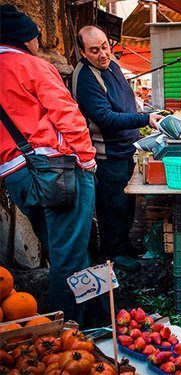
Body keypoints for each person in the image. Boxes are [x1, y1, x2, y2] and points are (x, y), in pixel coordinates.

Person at [0, 5, 97, 322]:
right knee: (69, 259)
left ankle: (95, 319)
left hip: (16, 178)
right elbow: (68, 116)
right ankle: (64, 333)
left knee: (69, 251)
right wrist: (87, 159)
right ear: (26, 38)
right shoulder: (32, 66)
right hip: (56, 173)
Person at [72, 25, 162, 271]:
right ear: (82, 52)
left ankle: (124, 247)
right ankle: (113, 255)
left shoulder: (111, 66)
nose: (102, 54)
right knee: (112, 207)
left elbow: (127, 104)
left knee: (126, 204)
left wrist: (146, 114)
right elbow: (105, 117)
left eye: (104, 47)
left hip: (125, 149)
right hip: (106, 155)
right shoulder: (85, 77)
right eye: (94, 50)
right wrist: (144, 120)